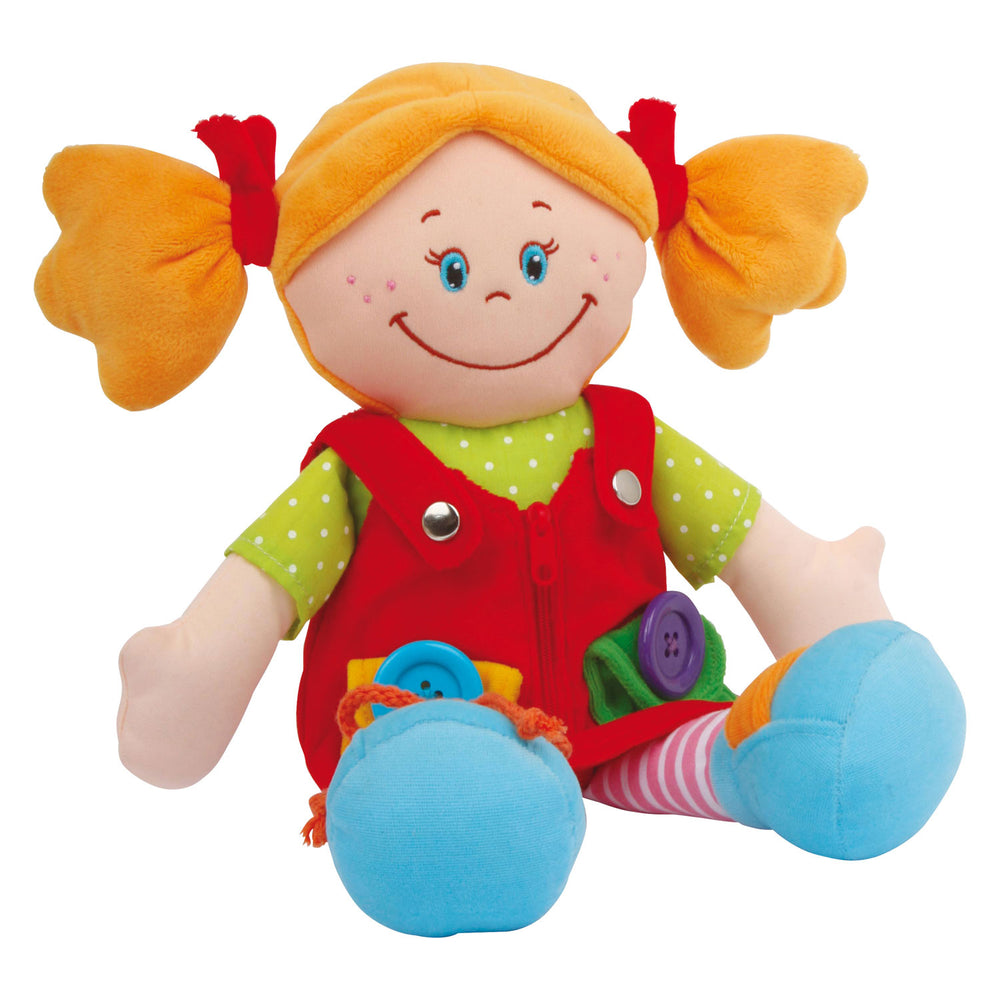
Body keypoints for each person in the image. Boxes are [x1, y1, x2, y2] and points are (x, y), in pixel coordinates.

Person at [35, 63, 965, 937]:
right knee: (442, 790)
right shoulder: (360, 470)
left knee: (737, 747)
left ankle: (798, 754)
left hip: (634, 718)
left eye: (536, 260)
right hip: (434, 729)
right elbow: (267, 580)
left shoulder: (629, 435)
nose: (493, 294)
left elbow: (749, 539)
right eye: (449, 269)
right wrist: (196, 670)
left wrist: (826, 597)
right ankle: (457, 818)